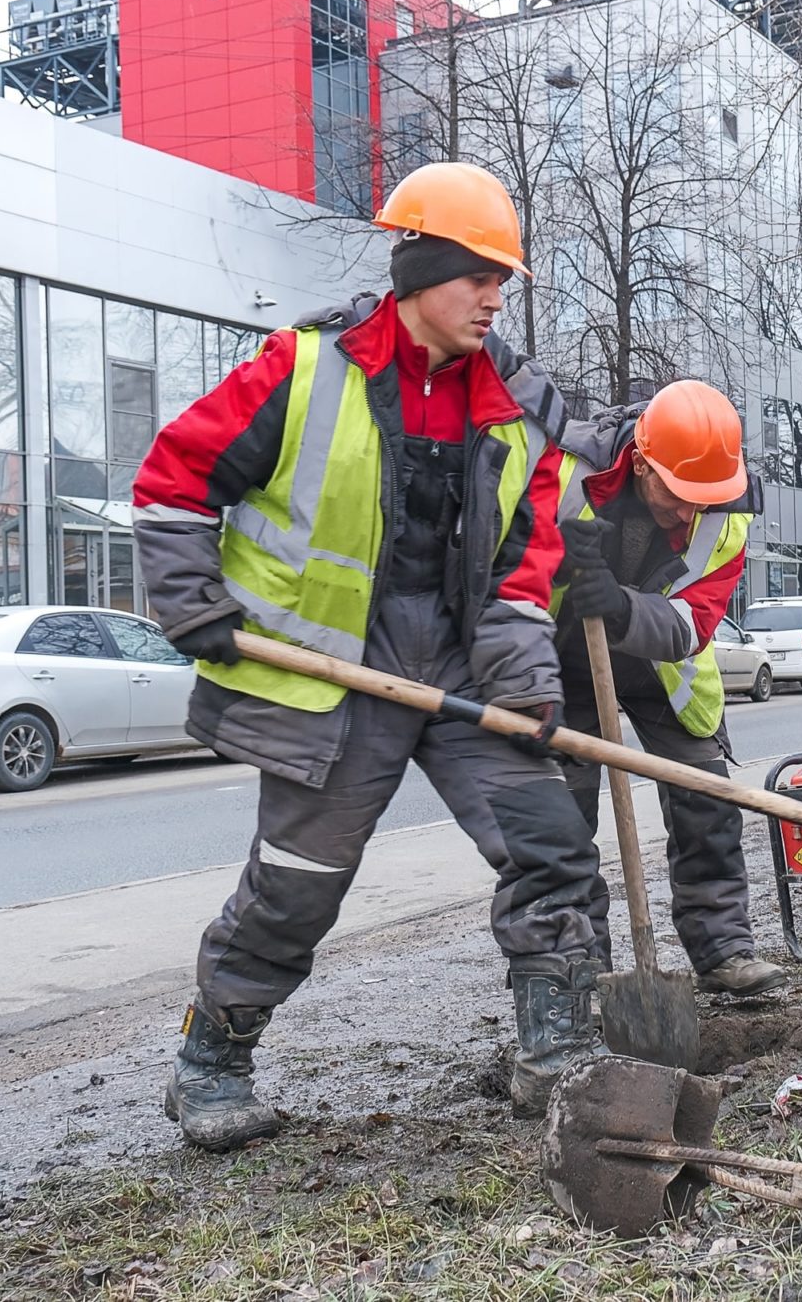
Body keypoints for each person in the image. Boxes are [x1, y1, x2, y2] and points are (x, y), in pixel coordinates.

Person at [133, 161, 612, 1142]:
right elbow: (172, 479)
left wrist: (524, 682)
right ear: (416, 269)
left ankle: (555, 1056)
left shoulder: (520, 410)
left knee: (552, 848)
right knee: (297, 883)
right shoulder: (301, 370)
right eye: (474, 274)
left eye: (500, 281)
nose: (492, 297)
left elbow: (525, 570)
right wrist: (192, 604)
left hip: (464, 662)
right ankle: (212, 1060)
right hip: (335, 668)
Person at [552, 382, 785, 997]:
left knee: (705, 799)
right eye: (678, 496)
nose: (689, 515)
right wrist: (557, 566)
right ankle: (586, 972)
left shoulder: (727, 510)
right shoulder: (566, 475)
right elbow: (506, 570)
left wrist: (620, 607)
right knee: (562, 821)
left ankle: (724, 949)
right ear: (639, 462)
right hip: (562, 662)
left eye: (702, 501)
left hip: (664, 665)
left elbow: (694, 622)